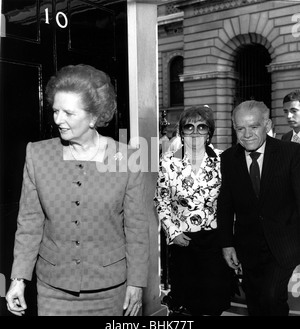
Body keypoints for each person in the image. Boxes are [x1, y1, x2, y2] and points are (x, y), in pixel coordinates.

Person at [5, 64, 149, 316]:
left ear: (94, 116)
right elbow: (29, 222)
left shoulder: (126, 158)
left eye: (69, 113)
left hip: (110, 289)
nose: (58, 120)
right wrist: (18, 278)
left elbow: (136, 228)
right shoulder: (38, 154)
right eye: (55, 111)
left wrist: (136, 283)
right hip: (54, 288)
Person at [217, 100, 300, 316]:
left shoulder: (291, 153)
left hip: (283, 244)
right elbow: (225, 204)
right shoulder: (228, 158)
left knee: (272, 297)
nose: (247, 134)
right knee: (255, 301)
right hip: (248, 246)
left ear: (268, 124)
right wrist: (227, 244)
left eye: (254, 127)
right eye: (240, 128)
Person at [154, 105, 232, 316]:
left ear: (209, 132)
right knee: (189, 305)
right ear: (181, 132)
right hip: (183, 242)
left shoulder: (223, 160)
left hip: (215, 242)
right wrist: (173, 232)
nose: (195, 132)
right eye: (189, 127)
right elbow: (161, 201)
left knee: (213, 303)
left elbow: (231, 202)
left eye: (201, 127)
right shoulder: (168, 162)